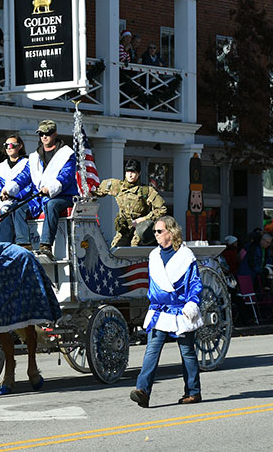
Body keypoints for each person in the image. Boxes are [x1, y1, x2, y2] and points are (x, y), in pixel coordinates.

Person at [130, 216, 202, 408]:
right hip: (159, 311)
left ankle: (193, 392)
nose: (156, 235)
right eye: (154, 232)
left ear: (171, 232)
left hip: (180, 310)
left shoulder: (186, 257)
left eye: (159, 231)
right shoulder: (154, 255)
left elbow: (195, 284)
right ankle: (142, 390)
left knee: (187, 352)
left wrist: (192, 305)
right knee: (151, 350)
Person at [2, 120, 78, 259]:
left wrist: (50, 188)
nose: (44, 136)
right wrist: (8, 190)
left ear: (54, 134)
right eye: (41, 134)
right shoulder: (34, 157)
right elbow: (24, 176)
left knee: (51, 204)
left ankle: (46, 245)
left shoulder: (67, 154)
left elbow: (65, 177)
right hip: (41, 197)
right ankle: (24, 244)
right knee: (18, 207)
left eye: (47, 133)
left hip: (64, 196)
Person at [94, 159, 166, 247]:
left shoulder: (146, 190)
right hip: (124, 228)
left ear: (139, 173)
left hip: (140, 229)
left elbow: (162, 209)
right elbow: (97, 192)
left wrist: (143, 219)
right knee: (116, 250)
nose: (130, 175)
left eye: (133, 172)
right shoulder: (117, 186)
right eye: (128, 171)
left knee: (135, 248)